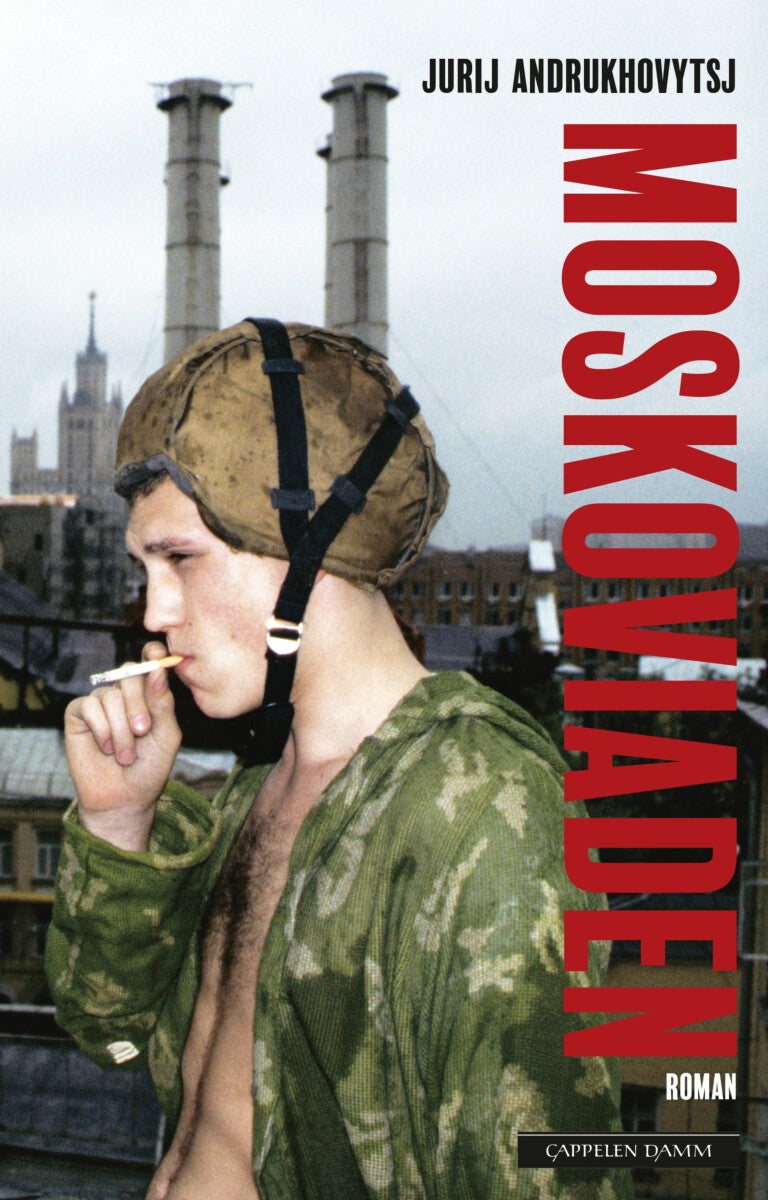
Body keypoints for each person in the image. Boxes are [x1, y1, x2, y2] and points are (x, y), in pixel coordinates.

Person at [46, 319, 630, 1200]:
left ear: (309, 547)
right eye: (144, 567)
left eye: (181, 560)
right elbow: (112, 1032)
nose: (154, 611)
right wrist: (119, 826)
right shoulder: (257, 790)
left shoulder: (484, 815)